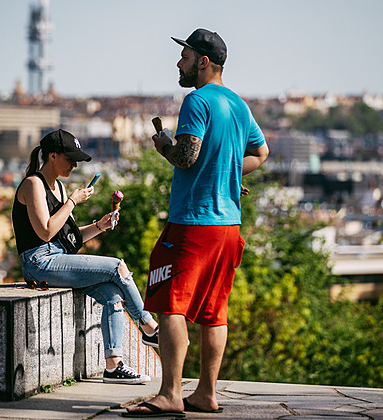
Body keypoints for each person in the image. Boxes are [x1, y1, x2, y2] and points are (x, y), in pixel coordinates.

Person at [125, 29, 269, 416]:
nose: (178, 63)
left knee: (170, 305)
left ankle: (171, 394)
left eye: (184, 56)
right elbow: (262, 151)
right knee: (213, 312)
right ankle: (206, 393)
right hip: (229, 227)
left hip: (193, 224)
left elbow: (187, 157)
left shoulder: (197, 100)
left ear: (203, 61)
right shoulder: (238, 105)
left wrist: (164, 146)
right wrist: (230, 175)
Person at [12, 129, 160, 385]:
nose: (74, 164)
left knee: (113, 295)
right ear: (52, 155)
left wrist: (100, 226)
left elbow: (68, 237)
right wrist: (71, 201)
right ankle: (150, 327)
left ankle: (113, 366)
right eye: (69, 158)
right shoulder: (33, 184)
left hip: (56, 258)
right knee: (118, 267)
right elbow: (45, 232)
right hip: (38, 262)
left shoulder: (58, 186)